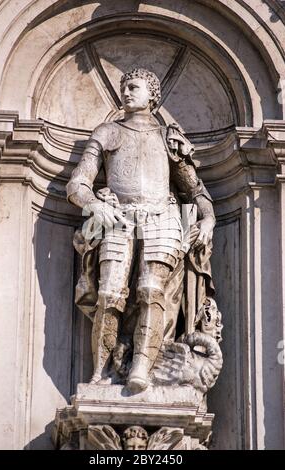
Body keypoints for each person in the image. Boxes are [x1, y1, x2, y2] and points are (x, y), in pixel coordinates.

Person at [66, 68, 215, 393]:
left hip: (162, 218)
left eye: (133, 86)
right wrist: (95, 205)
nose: (126, 92)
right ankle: (101, 374)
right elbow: (77, 184)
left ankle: (141, 370)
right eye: (123, 87)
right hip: (118, 217)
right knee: (109, 296)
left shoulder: (169, 137)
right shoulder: (106, 132)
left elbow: (196, 191)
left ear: (152, 94)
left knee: (152, 292)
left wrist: (208, 219)